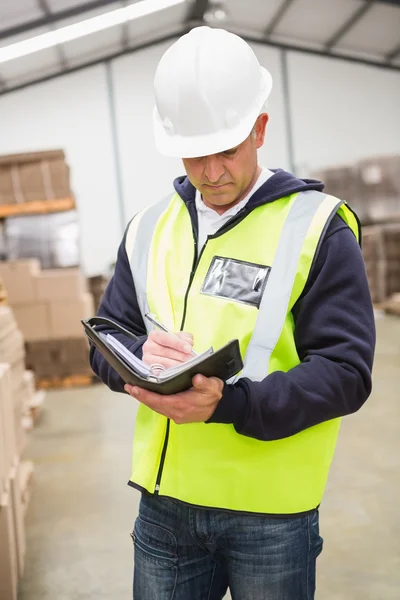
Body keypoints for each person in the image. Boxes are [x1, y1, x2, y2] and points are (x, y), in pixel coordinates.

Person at [90, 26, 375, 600]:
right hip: (165, 509)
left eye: (228, 148)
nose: (212, 171)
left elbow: (347, 371)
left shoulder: (316, 228)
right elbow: (104, 341)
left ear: (260, 129)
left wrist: (233, 402)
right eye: (195, 152)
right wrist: (135, 362)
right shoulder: (148, 229)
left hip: (269, 515)